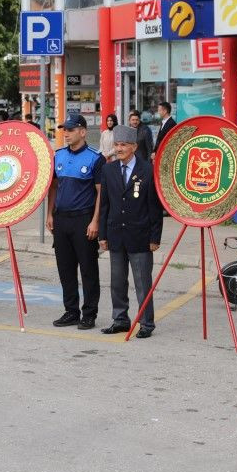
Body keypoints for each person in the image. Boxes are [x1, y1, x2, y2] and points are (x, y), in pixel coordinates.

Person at [98, 125, 162, 338]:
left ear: (134, 146)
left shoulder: (147, 170)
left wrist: (155, 237)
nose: (119, 148)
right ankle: (120, 319)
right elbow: (105, 204)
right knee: (117, 282)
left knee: (142, 282)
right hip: (116, 234)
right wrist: (103, 235)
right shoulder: (108, 170)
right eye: (116, 144)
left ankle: (146, 323)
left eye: (123, 144)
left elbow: (154, 206)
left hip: (140, 236)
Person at [46, 113, 104, 329]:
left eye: (70, 130)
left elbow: (101, 193)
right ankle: (71, 311)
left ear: (82, 131)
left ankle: (89, 314)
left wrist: (95, 221)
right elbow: (53, 187)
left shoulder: (95, 158)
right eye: (64, 130)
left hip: (83, 219)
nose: (66, 134)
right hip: (61, 220)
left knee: (88, 269)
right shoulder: (58, 156)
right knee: (65, 268)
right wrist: (50, 214)